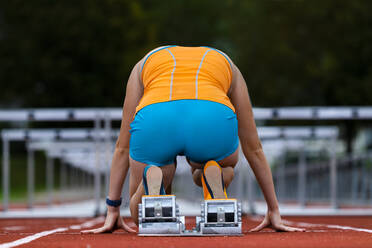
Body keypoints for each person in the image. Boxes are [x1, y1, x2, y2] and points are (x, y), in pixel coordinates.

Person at [82, 45, 304, 234]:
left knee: (140, 209)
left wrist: (112, 208)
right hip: (211, 118)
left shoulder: (144, 63)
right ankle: (213, 171)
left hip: (157, 117)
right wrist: (273, 209)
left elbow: (122, 146)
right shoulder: (227, 64)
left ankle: (158, 176)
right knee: (224, 166)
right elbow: (253, 146)